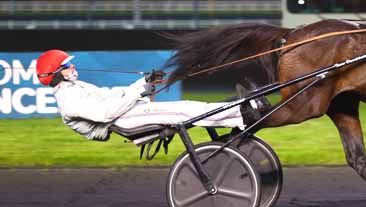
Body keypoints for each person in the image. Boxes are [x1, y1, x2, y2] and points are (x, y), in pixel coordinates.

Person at [35, 50, 267, 141]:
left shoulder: (76, 88)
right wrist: (138, 91)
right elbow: (106, 113)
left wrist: (143, 83)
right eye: (66, 66)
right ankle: (242, 113)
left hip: (127, 113)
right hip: (123, 120)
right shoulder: (68, 100)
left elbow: (112, 94)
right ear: (56, 75)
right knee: (185, 110)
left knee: (186, 108)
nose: (72, 68)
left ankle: (240, 107)